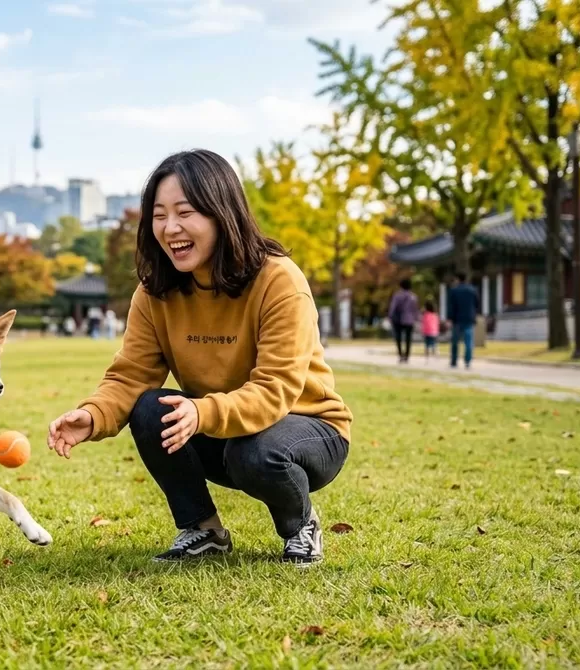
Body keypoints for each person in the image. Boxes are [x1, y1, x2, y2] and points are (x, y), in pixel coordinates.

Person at [47, 149, 353, 566]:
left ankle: (300, 525)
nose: (170, 228)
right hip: (220, 428)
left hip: (307, 427)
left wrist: (202, 412)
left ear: (221, 213)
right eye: (159, 215)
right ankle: (203, 529)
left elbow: (276, 390)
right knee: (150, 409)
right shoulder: (155, 291)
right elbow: (132, 375)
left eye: (185, 212)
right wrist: (93, 414)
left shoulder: (278, 280)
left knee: (255, 452)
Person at [446, 272, 479, 369]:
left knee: (455, 341)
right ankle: (468, 360)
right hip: (469, 318)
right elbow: (477, 304)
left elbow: (451, 306)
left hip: (457, 319)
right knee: (468, 341)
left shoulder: (454, 290)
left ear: (457, 279)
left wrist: (449, 318)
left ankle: (454, 361)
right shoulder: (473, 290)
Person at [388, 278, 420, 364]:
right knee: (408, 339)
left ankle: (400, 354)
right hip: (409, 320)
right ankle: (407, 355)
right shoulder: (413, 296)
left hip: (398, 319)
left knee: (398, 338)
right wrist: (417, 319)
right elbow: (415, 309)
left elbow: (393, 307)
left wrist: (390, 316)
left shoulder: (397, 295)